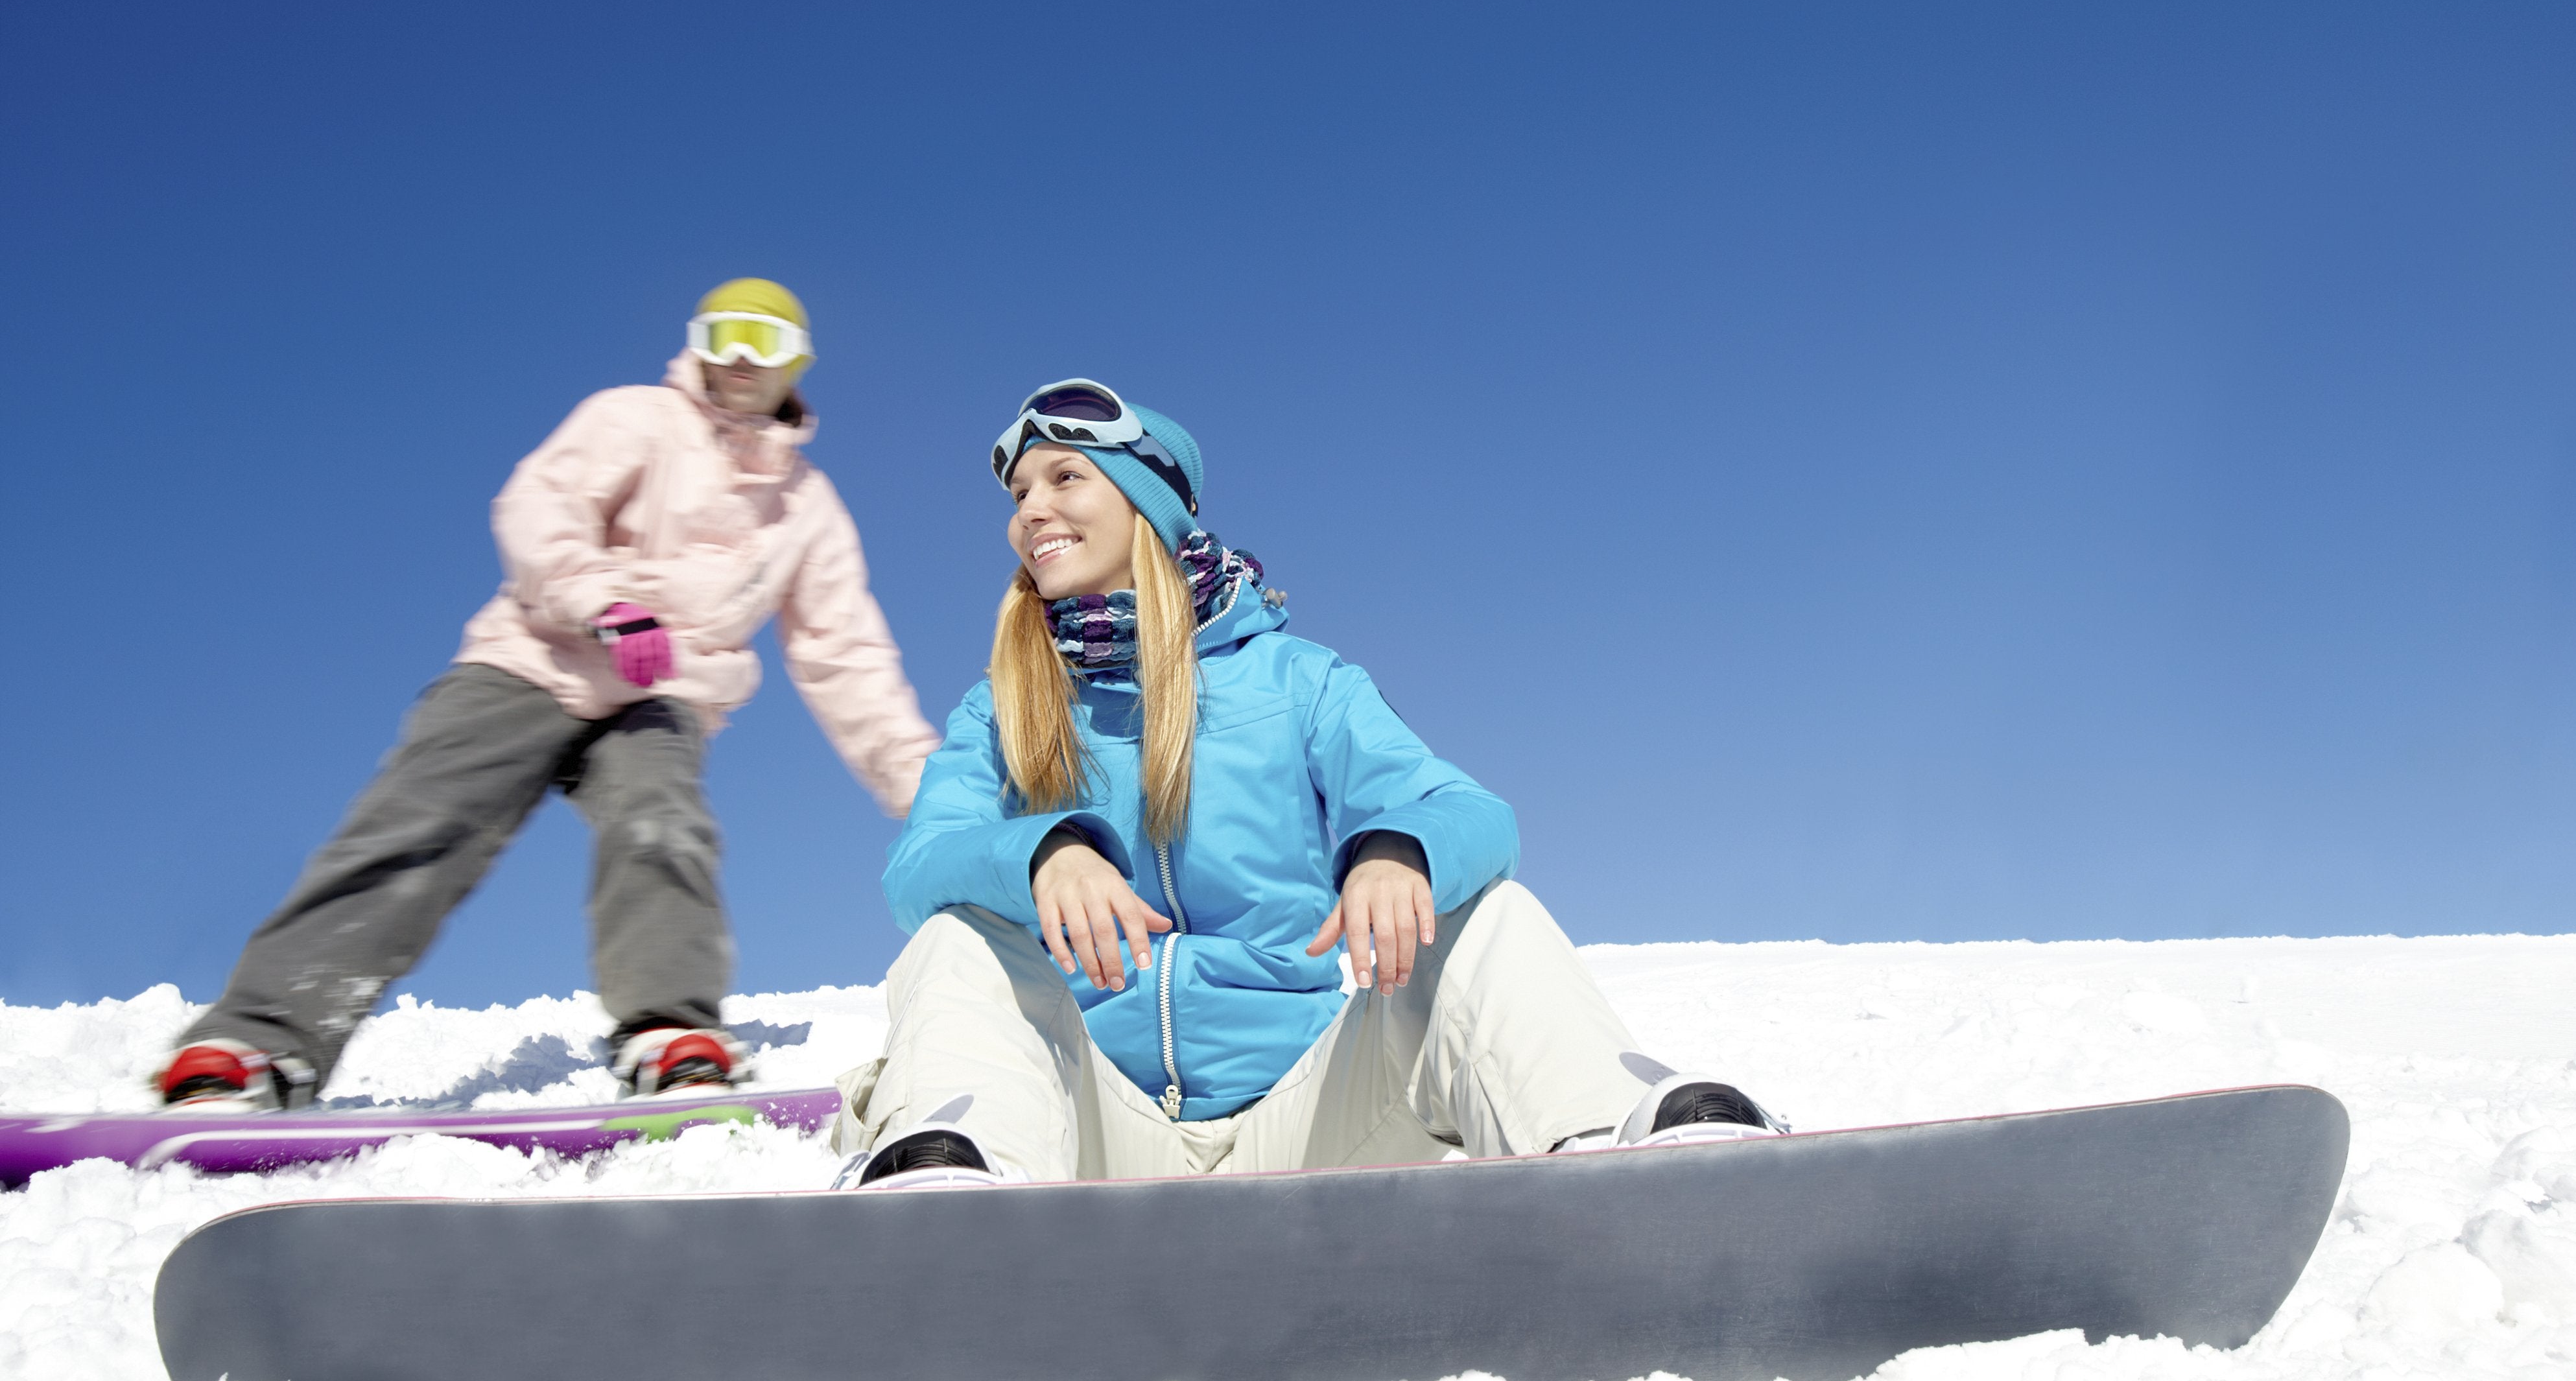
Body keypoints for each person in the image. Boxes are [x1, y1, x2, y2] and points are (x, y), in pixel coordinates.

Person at [828, 378, 1781, 1188]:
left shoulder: (1299, 682)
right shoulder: (999, 710)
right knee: (959, 935)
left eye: (1065, 477)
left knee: (1481, 914)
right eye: (1020, 491)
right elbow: (920, 865)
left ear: (1147, 503)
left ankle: (1626, 1161)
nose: (1031, 509)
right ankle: (946, 1205)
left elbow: (1469, 813)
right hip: (1088, 1136)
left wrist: (1393, 850)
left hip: (1311, 1126)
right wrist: (1044, 850)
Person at [158, 279, 942, 1109]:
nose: (743, 357)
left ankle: (669, 1031)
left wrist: (925, 794)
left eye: (766, 339)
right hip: (532, 659)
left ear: (801, 361)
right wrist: (599, 600)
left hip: (659, 692)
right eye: (725, 334)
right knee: (416, 824)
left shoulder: (805, 506)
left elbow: (844, 652)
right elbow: (542, 504)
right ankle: (259, 1038)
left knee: (661, 824)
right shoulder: (634, 419)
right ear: (696, 343)